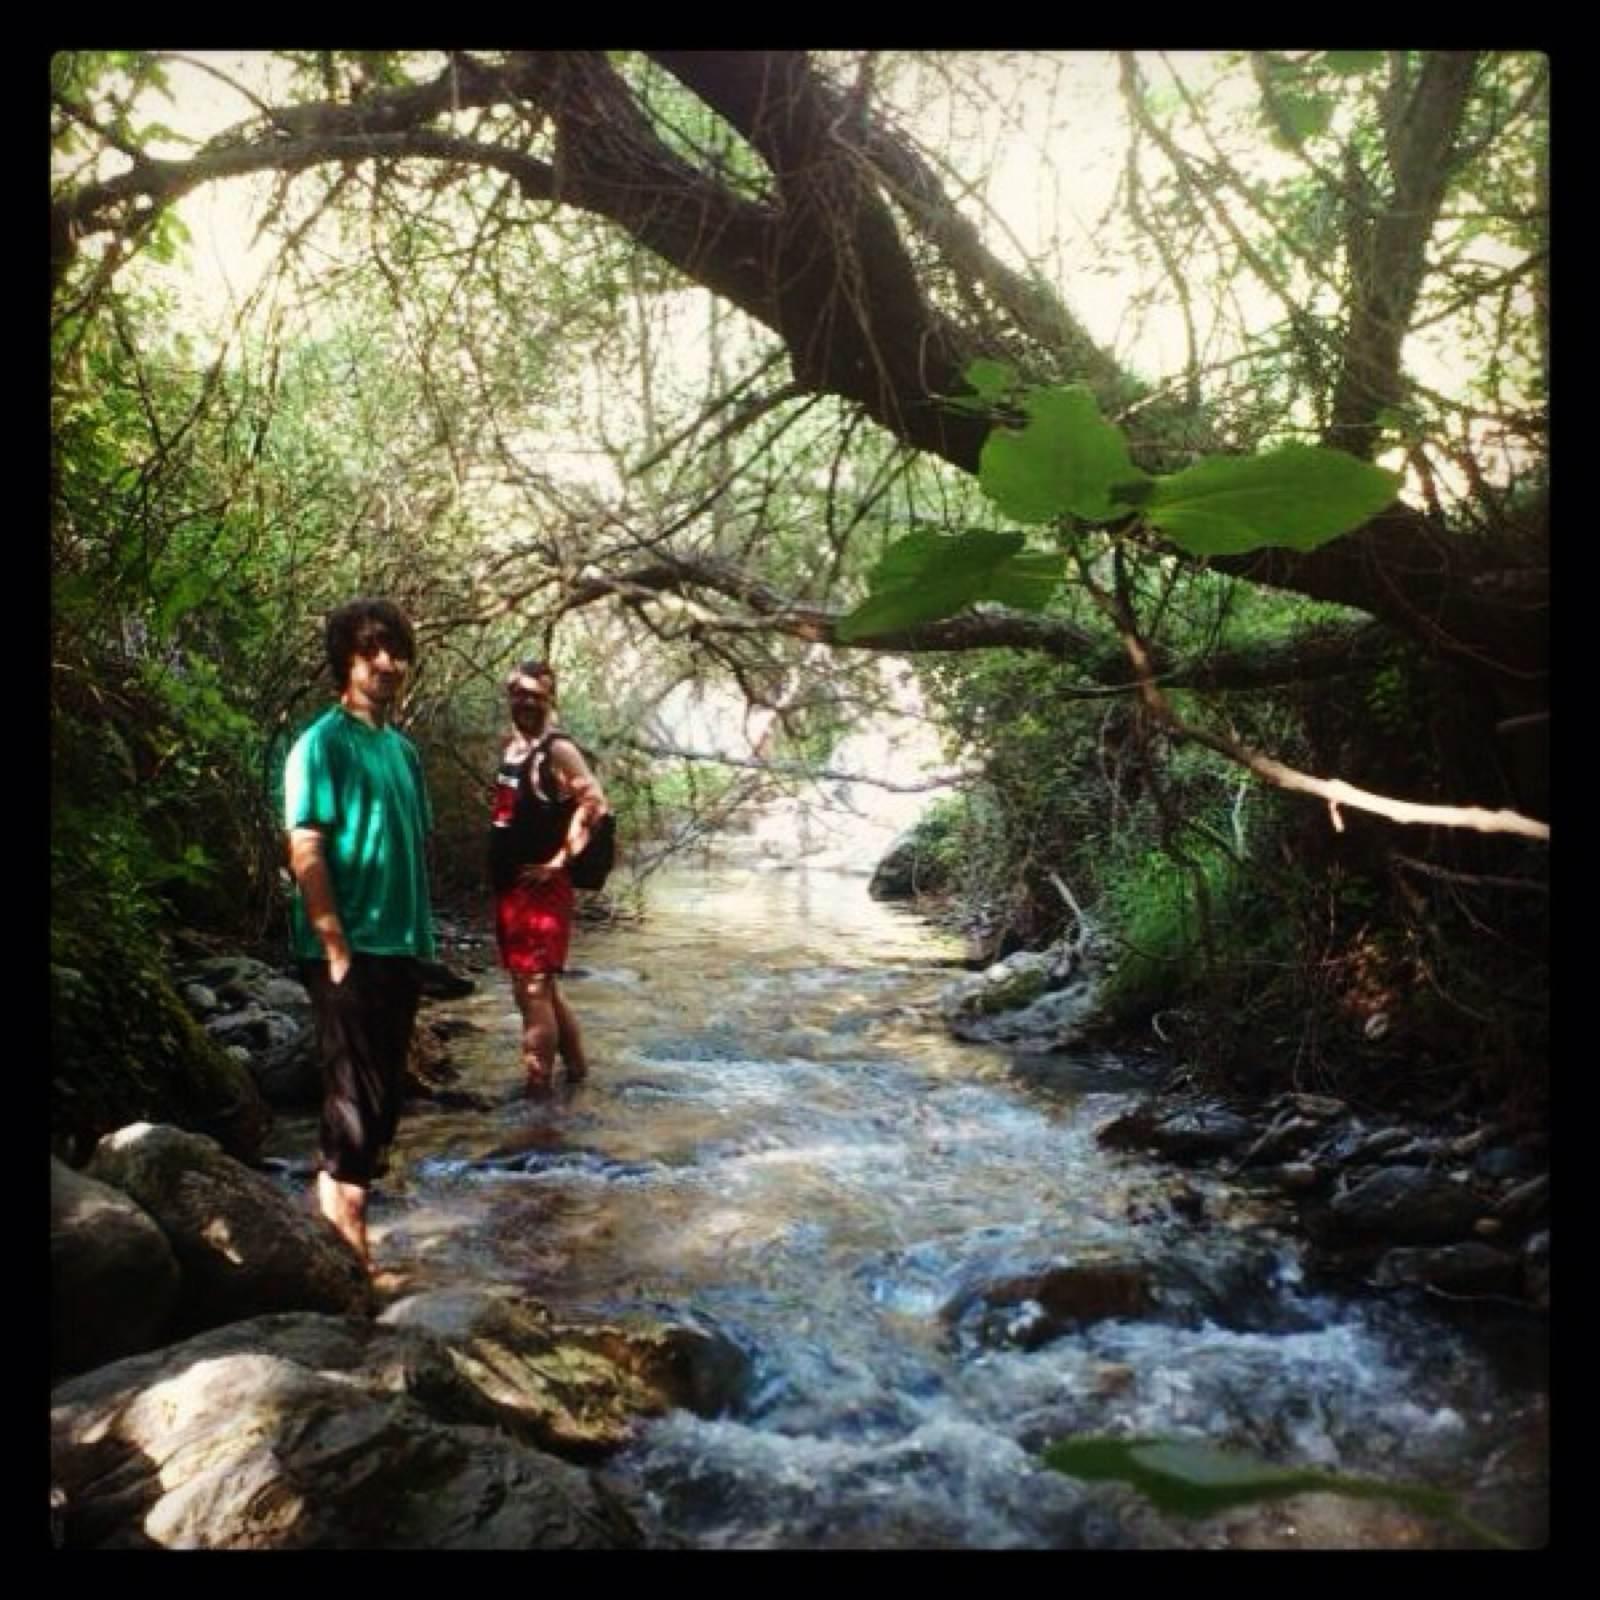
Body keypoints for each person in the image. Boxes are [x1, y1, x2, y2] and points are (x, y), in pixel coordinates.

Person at [283, 598, 435, 1267]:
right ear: (344, 660)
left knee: (379, 1109)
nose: (387, 664)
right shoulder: (321, 744)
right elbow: (305, 845)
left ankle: (334, 1256)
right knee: (352, 1105)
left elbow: (410, 844)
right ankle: (355, 1267)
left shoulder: (402, 751)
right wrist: (333, 941)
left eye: (396, 651)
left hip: (400, 947)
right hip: (347, 951)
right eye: (371, 651)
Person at [490, 660, 608, 1093]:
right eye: (519, 694)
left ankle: (537, 1094)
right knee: (543, 991)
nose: (526, 703)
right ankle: (577, 1077)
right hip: (512, 890)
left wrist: (561, 860)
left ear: (550, 700)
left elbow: (594, 802)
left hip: (540, 891)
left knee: (534, 990)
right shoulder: (513, 747)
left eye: (536, 696)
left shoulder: (558, 749)